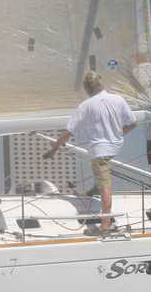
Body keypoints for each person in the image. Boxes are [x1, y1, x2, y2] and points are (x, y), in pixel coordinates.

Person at [44, 70, 137, 232]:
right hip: (114, 147)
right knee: (100, 178)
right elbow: (133, 124)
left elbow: (68, 132)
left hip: (100, 151)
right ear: (101, 83)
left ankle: (105, 224)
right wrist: (117, 134)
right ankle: (93, 190)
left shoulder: (86, 105)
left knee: (104, 185)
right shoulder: (118, 99)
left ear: (87, 88)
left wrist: (54, 149)